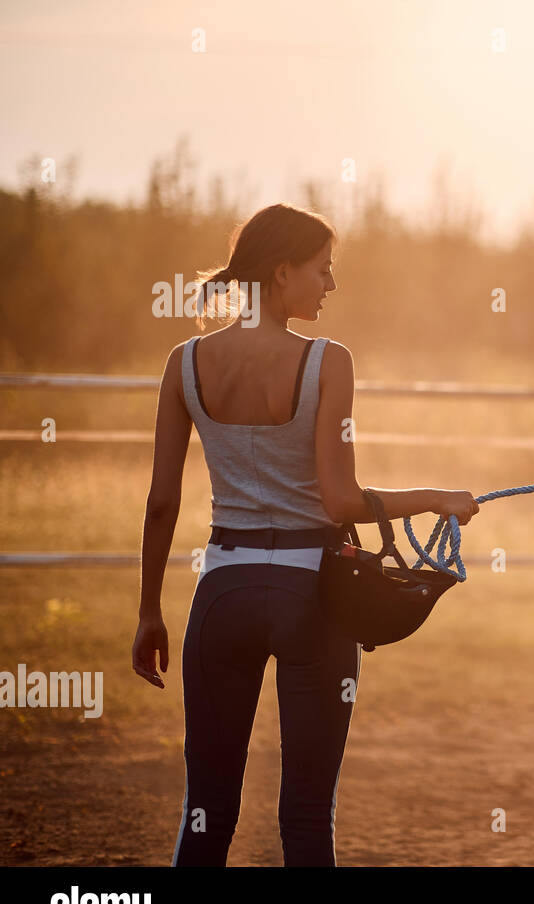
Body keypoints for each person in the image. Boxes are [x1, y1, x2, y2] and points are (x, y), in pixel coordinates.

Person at [131, 203, 479, 866]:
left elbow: (160, 502)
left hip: (221, 595)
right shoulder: (329, 361)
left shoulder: (183, 363)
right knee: (308, 818)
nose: (331, 285)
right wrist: (440, 498)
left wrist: (150, 610)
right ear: (282, 272)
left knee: (205, 814)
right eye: (323, 271)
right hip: (311, 598)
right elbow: (341, 500)